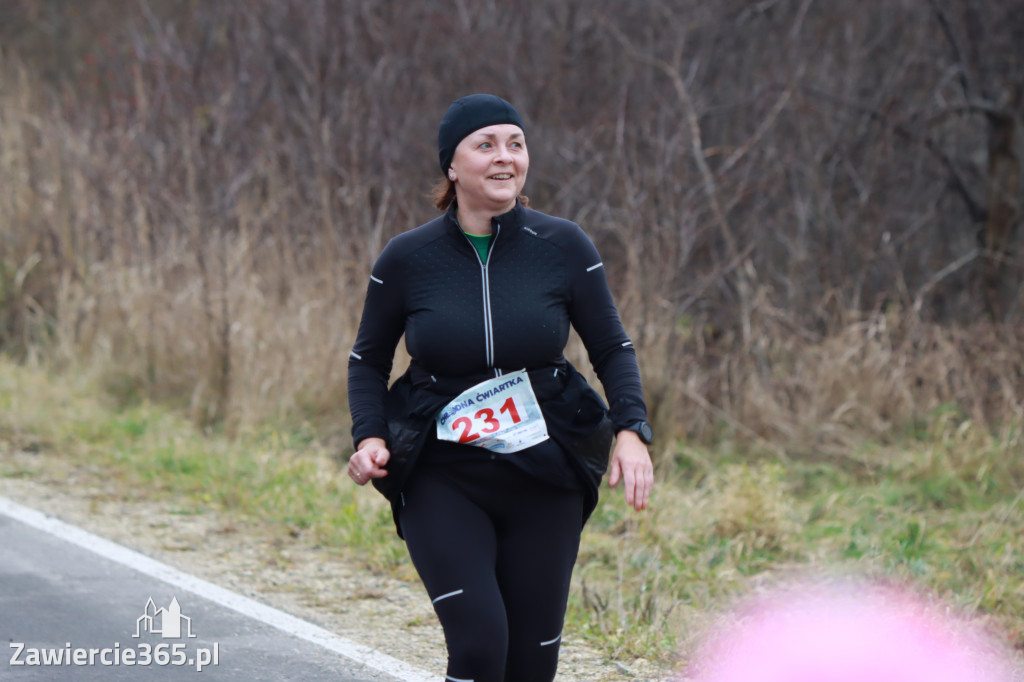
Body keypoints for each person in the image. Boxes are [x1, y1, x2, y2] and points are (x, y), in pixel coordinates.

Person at [346, 93, 654, 682]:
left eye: (515, 143)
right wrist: (370, 437)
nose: (504, 157)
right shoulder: (408, 258)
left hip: (548, 471)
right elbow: (367, 362)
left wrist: (631, 429)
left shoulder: (563, 247)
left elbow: (612, 347)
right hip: (442, 473)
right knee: (481, 645)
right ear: (452, 166)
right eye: (485, 145)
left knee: (531, 665)